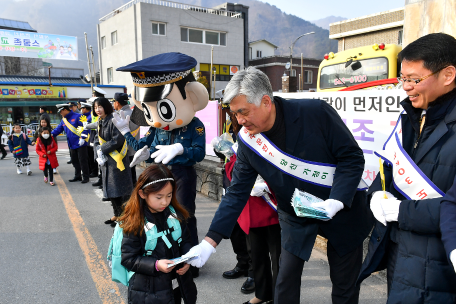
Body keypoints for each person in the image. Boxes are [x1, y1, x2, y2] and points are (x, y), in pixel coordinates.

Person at [183, 67, 373, 304]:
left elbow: (351, 158)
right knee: (285, 280)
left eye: (243, 112)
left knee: (344, 285)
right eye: (234, 114)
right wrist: (209, 243)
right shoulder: (249, 140)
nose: (240, 121)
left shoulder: (315, 113)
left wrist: (336, 200)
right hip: (294, 212)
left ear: (265, 102)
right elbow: (236, 194)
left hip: (341, 211)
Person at [357, 33, 456, 303]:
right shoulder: (411, 116)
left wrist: (401, 211)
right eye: (402, 79)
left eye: (414, 79)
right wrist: (377, 193)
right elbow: (388, 166)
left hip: (439, 267)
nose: (406, 87)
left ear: (448, 75)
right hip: (400, 253)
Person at [113, 52, 209, 278]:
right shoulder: (156, 128)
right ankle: (166, 257)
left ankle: (191, 261)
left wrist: (181, 149)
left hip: (182, 174)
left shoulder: (194, 125)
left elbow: (199, 153)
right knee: (161, 216)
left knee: (185, 215)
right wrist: (127, 133)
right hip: (160, 177)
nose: (155, 117)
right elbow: (142, 146)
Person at [119, 164, 197, 304]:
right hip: (148, 291)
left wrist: (187, 260)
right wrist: (155, 264)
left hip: (178, 284)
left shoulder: (176, 215)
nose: (165, 202)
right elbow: (128, 259)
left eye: (169, 195)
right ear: (143, 194)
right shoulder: (135, 223)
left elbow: (185, 241)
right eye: (159, 197)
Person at [94, 97, 133, 227]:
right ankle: (117, 214)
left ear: (106, 106)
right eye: (95, 107)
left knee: (120, 191)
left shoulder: (113, 119)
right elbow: (97, 139)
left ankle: (124, 217)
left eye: (100, 106)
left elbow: (118, 140)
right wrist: (98, 150)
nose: (97, 110)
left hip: (117, 161)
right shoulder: (100, 121)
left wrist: (102, 149)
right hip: (107, 161)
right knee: (111, 191)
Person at [52, 104, 91, 183]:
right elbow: (58, 129)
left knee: (83, 160)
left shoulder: (78, 116)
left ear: (65, 110)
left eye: (61, 111)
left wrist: (83, 138)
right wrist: (50, 135)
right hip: (71, 144)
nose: (60, 113)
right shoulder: (64, 120)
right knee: (74, 160)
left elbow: (86, 127)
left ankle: (86, 177)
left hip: (80, 143)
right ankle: (78, 176)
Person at [112, 92, 139, 184]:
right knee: (132, 172)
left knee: (125, 175)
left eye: (113, 102)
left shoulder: (119, 115)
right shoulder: (133, 112)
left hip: (124, 150)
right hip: (134, 147)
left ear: (117, 103)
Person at [80, 101, 98, 178]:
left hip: (92, 138)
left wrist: (83, 137)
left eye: (82, 108)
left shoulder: (91, 116)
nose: (81, 110)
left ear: (85, 108)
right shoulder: (85, 116)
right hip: (89, 139)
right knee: (89, 157)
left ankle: (94, 171)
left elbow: (87, 128)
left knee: (93, 156)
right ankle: (91, 170)